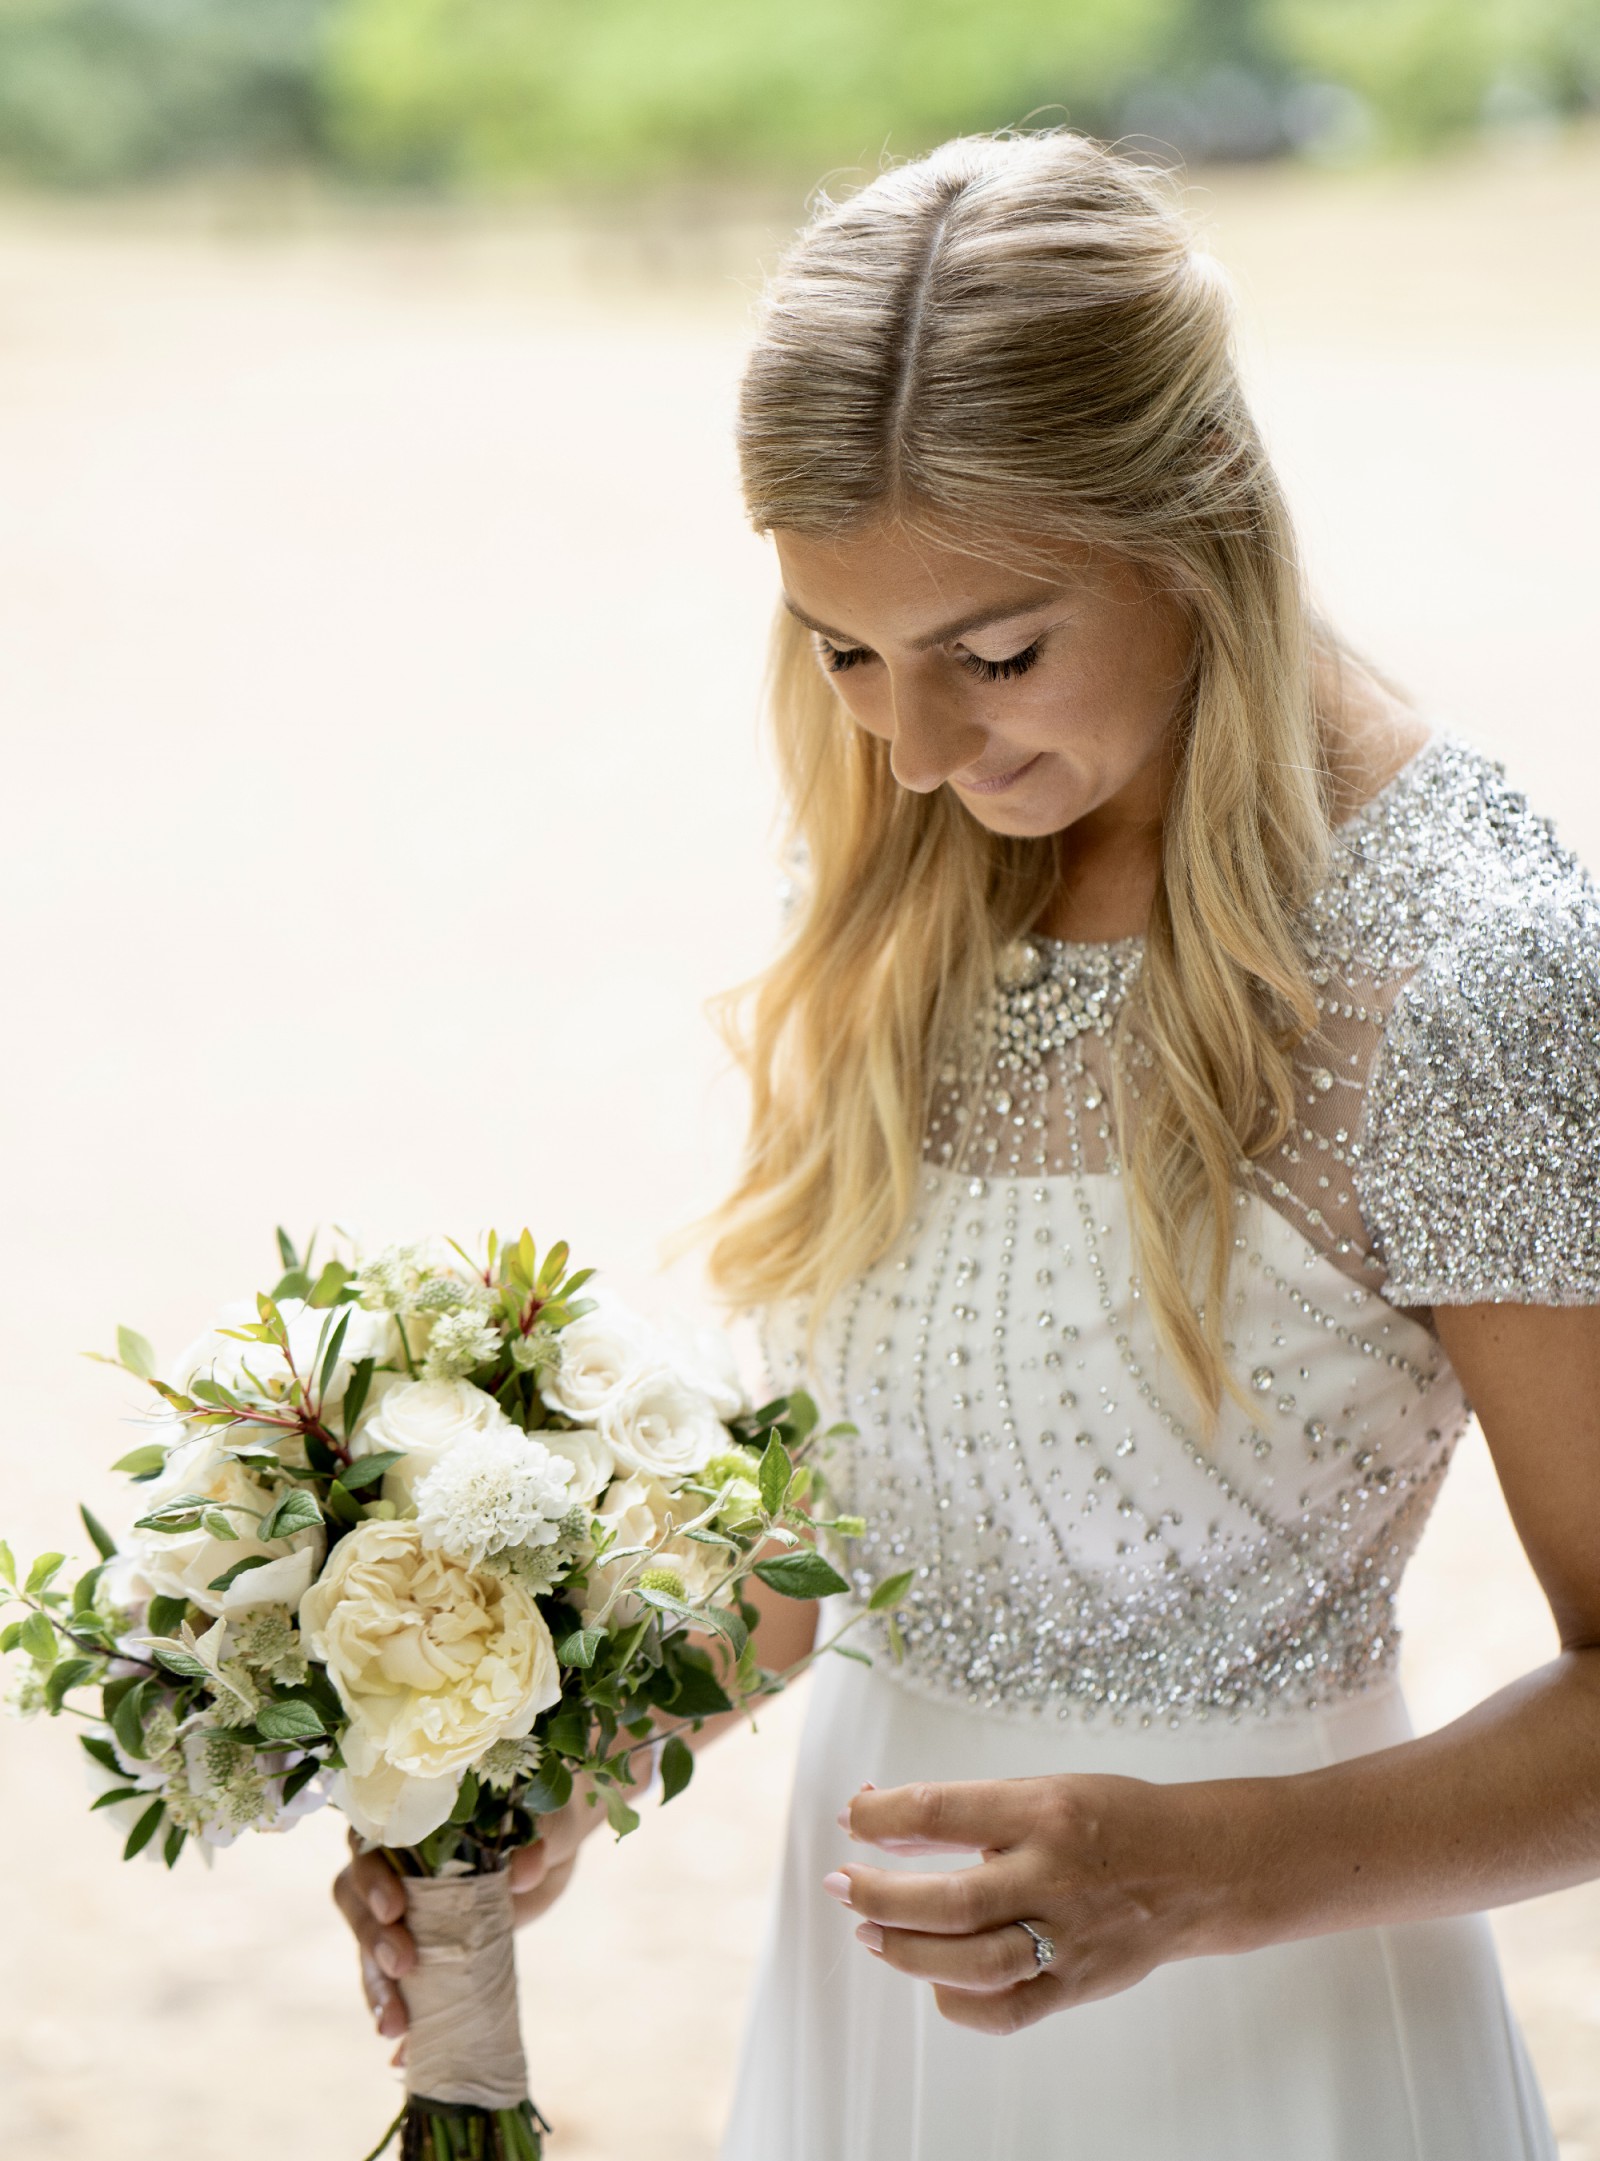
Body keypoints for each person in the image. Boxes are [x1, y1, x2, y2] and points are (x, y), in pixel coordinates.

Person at [336, 129, 1600, 2158]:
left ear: (1194, 529)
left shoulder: (1467, 969)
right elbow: (853, 1524)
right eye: (839, 646)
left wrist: (1204, 1871)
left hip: (1267, 2049)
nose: (907, 747)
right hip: (864, 2030)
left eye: (989, 653)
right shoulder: (918, 869)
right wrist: (556, 1764)